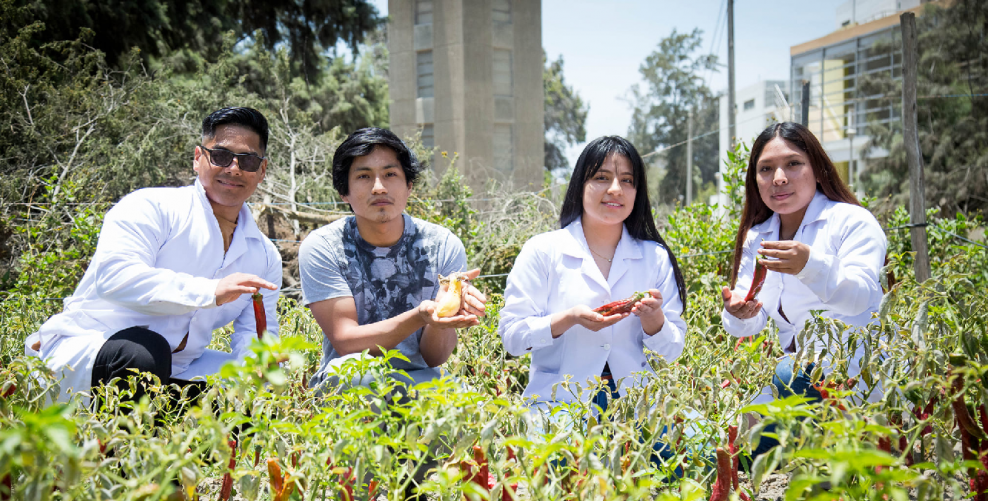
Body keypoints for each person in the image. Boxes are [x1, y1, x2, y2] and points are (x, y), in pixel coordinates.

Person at [25, 106, 282, 405]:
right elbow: (115, 278)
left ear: (261, 171)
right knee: (143, 354)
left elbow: (255, 335)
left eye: (248, 160)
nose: (234, 168)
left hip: (180, 365)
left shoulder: (264, 255)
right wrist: (210, 291)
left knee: (258, 396)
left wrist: (260, 372)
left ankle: (179, 440)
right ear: (198, 158)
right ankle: (118, 450)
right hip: (93, 347)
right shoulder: (152, 207)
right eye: (221, 156)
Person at [721, 122, 887, 455]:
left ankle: (835, 462)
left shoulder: (852, 221)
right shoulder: (759, 236)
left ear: (818, 170)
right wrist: (738, 311)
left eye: (793, 164)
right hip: (798, 375)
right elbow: (748, 318)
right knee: (733, 440)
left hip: (852, 371)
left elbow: (861, 296)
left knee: (788, 375)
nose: (778, 178)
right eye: (766, 169)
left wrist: (809, 266)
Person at [498, 135, 687, 423]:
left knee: (703, 450)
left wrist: (654, 320)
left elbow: (673, 349)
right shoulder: (543, 250)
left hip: (636, 400)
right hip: (560, 401)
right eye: (601, 177)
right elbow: (512, 338)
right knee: (564, 463)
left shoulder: (655, 257)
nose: (615, 189)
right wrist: (568, 319)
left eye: (627, 180)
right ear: (580, 185)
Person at [298, 127, 486, 390]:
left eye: (390, 174)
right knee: (360, 379)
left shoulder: (444, 245)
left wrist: (441, 320)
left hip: (419, 378)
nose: (379, 187)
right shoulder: (324, 246)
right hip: (350, 376)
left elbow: (434, 358)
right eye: (364, 176)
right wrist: (421, 316)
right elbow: (346, 341)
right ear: (344, 192)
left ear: (409, 185)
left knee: (463, 399)